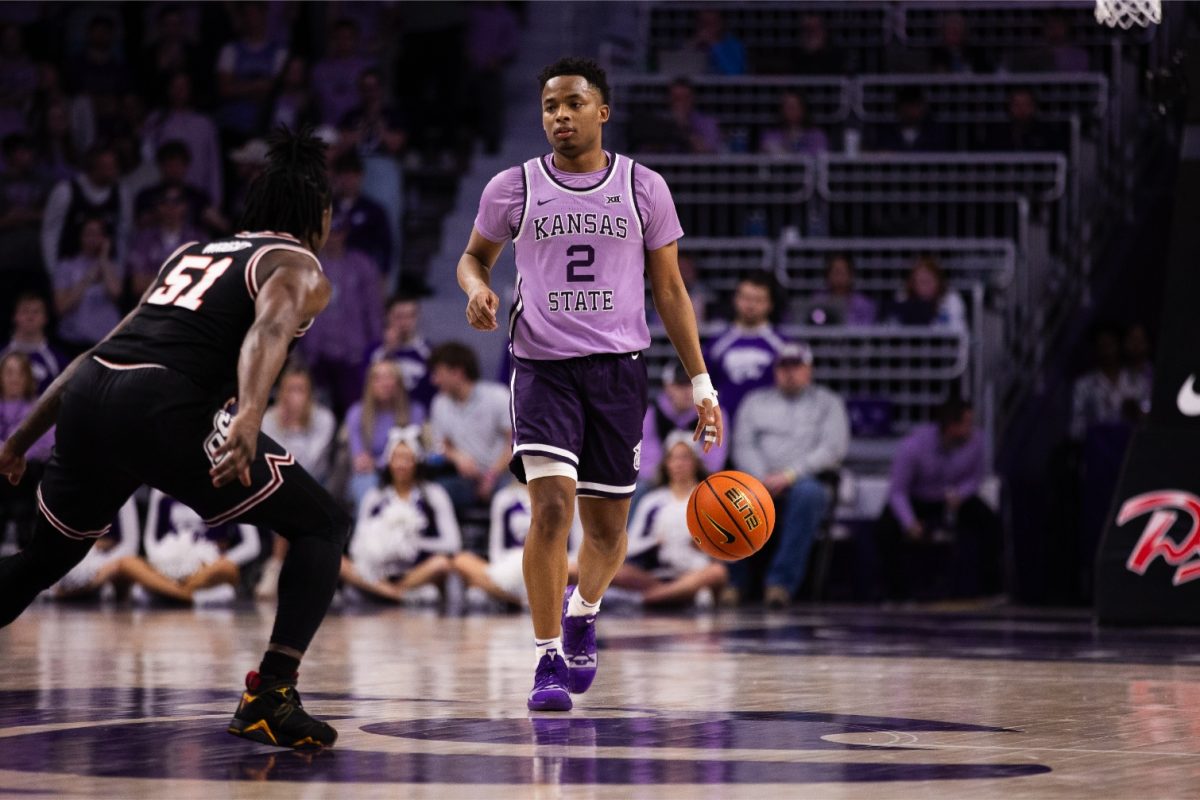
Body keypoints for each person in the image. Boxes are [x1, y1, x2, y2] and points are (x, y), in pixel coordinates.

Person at [0, 127, 350, 750]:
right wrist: (247, 415)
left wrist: (20, 438)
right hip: (161, 403)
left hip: (92, 392)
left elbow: (101, 351)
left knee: (41, 563)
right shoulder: (297, 263)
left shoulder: (191, 253)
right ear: (316, 217)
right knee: (321, 523)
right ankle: (270, 695)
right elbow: (267, 331)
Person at [455, 56, 720, 711]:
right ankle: (547, 658)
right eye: (550, 106)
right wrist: (476, 288)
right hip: (542, 369)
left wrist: (703, 385)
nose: (560, 117)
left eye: (573, 104)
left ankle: (584, 609)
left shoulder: (643, 187)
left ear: (602, 111)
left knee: (606, 535)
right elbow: (472, 258)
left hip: (619, 371)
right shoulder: (511, 187)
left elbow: (670, 289)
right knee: (549, 511)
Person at [731, 342, 848, 608]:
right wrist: (762, 478)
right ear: (775, 371)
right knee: (731, 497)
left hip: (805, 480)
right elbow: (743, 445)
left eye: (796, 366)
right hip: (758, 479)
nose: (790, 373)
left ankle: (779, 585)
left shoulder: (828, 403)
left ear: (809, 370)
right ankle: (733, 583)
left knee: (808, 495)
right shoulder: (754, 402)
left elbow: (832, 449)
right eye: (784, 367)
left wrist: (790, 475)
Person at [875, 397, 1002, 600]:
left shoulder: (977, 441)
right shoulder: (913, 447)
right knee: (886, 528)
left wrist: (961, 493)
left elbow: (976, 478)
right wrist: (910, 523)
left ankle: (991, 589)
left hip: (951, 498)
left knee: (988, 521)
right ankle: (895, 595)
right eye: (966, 424)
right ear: (951, 426)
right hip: (918, 498)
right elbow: (898, 491)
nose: (972, 429)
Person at [339, 426, 460, 603]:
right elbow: (356, 544)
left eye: (407, 458)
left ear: (417, 461)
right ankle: (394, 593)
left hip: (416, 571)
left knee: (441, 564)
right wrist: (381, 544)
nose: (401, 464)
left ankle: (385, 592)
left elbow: (453, 543)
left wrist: (412, 543)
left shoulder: (434, 494)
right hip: (378, 572)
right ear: (388, 461)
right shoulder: (374, 497)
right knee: (338, 563)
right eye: (396, 458)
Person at [614, 431, 728, 607]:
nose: (678, 464)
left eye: (684, 458)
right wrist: (654, 542)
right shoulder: (652, 501)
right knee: (613, 570)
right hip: (656, 575)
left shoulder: (710, 499)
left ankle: (648, 599)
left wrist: (705, 546)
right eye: (673, 458)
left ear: (696, 462)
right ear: (666, 463)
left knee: (717, 572)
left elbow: (727, 549)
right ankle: (669, 595)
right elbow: (630, 546)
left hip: (694, 575)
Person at [255, 362, 337, 599]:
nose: (295, 397)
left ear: (310, 393)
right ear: (281, 392)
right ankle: (287, 570)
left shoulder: (325, 419)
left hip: (316, 484)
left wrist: (295, 429)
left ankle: (276, 565)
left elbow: (309, 463)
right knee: (286, 497)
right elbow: (268, 461)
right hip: (275, 484)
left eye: (301, 390)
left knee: (292, 499)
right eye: (290, 390)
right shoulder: (268, 419)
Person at [109, 488, 261, 605]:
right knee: (127, 564)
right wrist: (162, 559)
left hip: (207, 566)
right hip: (167, 565)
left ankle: (166, 594)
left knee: (228, 568)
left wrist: (219, 560)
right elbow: (150, 541)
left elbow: (251, 545)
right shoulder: (161, 488)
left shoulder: (227, 481)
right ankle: (190, 596)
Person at [297, 211, 382, 417]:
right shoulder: (308, 265)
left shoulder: (361, 264)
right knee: (317, 410)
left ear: (345, 233)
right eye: (328, 232)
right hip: (316, 352)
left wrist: (376, 347)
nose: (333, 237)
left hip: (353, 352)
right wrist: (297, 350)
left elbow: (373, 309)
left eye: (337, 232)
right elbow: (296, 311)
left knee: (354, 408)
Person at [452, 481, 583, 609]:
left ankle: (510, 595)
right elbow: (496, 548)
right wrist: (503, 568)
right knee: (461, 560)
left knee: (576, 569)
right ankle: (524, 600)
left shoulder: (567, 497)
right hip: (513, 564)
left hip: (552, 565)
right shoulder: (504, 498)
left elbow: (577, 547)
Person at [428, 341, 512, 513]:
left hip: (502, 476)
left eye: (438, 373)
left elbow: (514, 443)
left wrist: (492, 475)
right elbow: (441, 445)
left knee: (511, 499)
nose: (434, 380)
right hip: (464, 480)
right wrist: (457, 457)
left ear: (457, 373)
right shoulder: (439, 403)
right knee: (433, 494)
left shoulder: (498, 396)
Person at [705, 270, 786, 430]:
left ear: (770, 304)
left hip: (769, 426)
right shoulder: (717, 344)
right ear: (735, 299)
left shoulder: (782, 345)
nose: (751, 305)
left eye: (758, 300)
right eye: (746, 298)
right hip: (724, 426)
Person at [344, 359, 419, 506]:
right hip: (368, 476)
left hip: (405, 473)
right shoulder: (356, 413)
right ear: (369, 384)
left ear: (399, 383)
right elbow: (360, 462)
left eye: (389, 377)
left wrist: (377, 462)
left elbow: (414, 456)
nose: (384, 383)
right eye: (377, 378)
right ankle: (368, 528)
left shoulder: (415, 412)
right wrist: (382, 463)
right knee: (366, 483)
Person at [640, 362, 727, 484]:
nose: (687, 391)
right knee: (639, 487)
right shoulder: (651, 413)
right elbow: (645, 460)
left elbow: (714, 460)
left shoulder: (713, 414)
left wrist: (690, 476)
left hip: (700, 479)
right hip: (659, 480)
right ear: (668, 387)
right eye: (680, 385)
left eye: (691, 385)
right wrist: (669, 478)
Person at [0, 353, 53, 550]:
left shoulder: (39, 409)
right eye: (9, 372)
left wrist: (10, 455)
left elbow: (45, 444)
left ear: (28, 378)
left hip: (27, 481)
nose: (15, 378)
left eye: (21, 373)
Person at [53, 217, 123, 353]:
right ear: (80, 236)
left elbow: (116, 293)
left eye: (98, 234)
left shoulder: (113, 266)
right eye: (89, 233)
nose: (93, 239)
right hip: (73, 342)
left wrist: (103, 259)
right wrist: (88, 278)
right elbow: (61, 307)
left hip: (106, 342)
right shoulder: (66, 266)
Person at [49, 498, 138, 600]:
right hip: (76, 560)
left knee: (128, 566)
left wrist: (110, 567)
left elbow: (128, 543)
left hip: (107, 558)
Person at [367, 295, 435, 417]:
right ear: (388, 316)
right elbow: (366, 387)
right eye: (399, 316)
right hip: (379, 416)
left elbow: (433, 391)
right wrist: (388, 350)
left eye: (410, 316)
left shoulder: (428, 352)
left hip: (417, 416)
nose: (404, 323)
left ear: (417, 317)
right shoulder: (374, 351)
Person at [1, 293, 65, 394]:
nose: (30, 317)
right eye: (25, 311)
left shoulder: (58, 360)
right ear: (14, 316)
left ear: (45, 318)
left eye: (36, 312)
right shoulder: (2, 354)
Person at [884, 256, 966, 330]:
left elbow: (959, 332)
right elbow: (892, 329)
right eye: (920, 281)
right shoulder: (903, 297)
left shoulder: (951, 299)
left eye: (928, 281)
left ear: (938, 281)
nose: (924, 286)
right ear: (913, 283)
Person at [793, 253, 876, 326]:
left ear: (851, 275)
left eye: (842, 273)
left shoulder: (864, 305)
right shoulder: (817, 301)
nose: (839, 278)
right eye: (835, 272)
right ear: (827, 275)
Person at [758, 92, 828, 156]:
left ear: (803, 109)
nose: (790, 111)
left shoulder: (816, 135)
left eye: (794, 107)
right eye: (787, 107)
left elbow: (818, 155)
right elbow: (765, 151)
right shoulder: (771, 134)